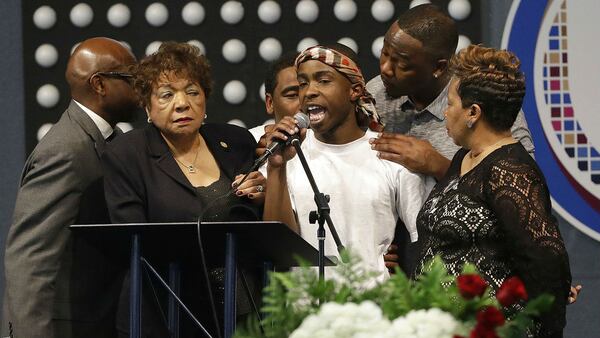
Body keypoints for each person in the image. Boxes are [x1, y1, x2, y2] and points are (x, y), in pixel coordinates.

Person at [368, 2, 582, 303]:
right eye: (385, 53)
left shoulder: (476, 96)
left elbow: (520, 191)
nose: (386, 68)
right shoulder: (375, 94)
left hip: (475, 284)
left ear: (439, 67)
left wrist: (438, 166)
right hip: (402, 268)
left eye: (402, 62)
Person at [102, 41, 266, 337]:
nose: (182, 104)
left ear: (205, 98)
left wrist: (260, 194)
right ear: (147, 105)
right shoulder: (127, 154)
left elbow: (261, 225)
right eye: (166, 95)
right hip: (166, 310)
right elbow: (133, 241)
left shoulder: (236, 142)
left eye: (192, 92)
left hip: (242, 310)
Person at [413, 45, 571, 337]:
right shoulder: (464, 157)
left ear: (473, 112)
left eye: (450, 104)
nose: (445, 113)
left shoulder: (510, 171)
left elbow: (546, 259)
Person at [2, 37, 138, 338]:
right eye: (132, 78)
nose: (140, 88)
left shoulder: (106, 141)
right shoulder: (66, 149)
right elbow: (30, 258)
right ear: (99, 85)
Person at [263, 44, 434, 282]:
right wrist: (276, 169)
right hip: (303, 313)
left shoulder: (390, 155)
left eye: (323, 81)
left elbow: (424, 242)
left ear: (354, 91)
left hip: (375, 310)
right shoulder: (287, 155)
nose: (309, 91)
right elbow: (279, 247)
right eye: (303, 83)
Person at [248, 51, 300, 143]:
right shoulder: (249, 145)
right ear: (270, 103)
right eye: (292, 95)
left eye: (311, 95)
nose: (305, 103)